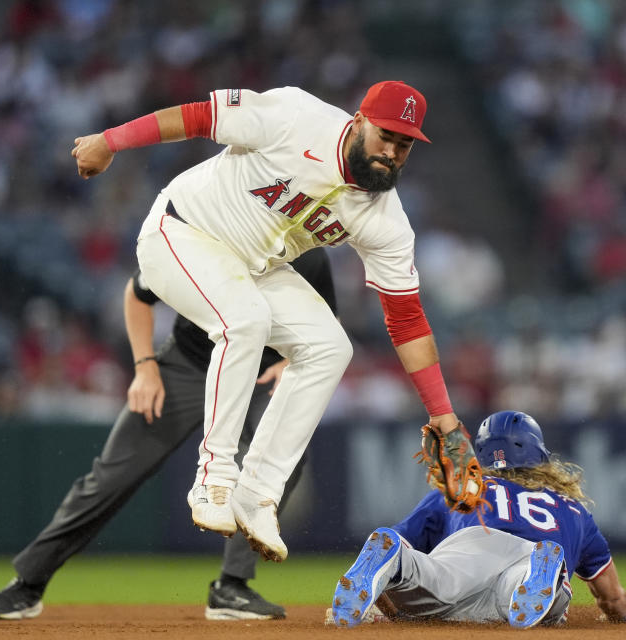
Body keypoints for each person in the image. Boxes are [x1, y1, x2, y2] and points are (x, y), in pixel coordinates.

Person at [70, 80, 482, 562]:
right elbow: (199, 117)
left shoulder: (386, 220)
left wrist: (444, 416)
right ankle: (214, 481)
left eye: (404, 143)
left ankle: (257, 493)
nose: (391, 151)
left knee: (331, 348)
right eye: (385, 136)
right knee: (245, 321)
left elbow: (407, 321)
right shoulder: (295, 116)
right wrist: (110, 141)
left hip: (254, 265)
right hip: (179, 232)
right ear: (359, 122)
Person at [0, 249, 337, 621]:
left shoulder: (310, 257)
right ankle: (28, 583)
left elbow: (324, 328)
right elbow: (137, 293)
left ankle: (232, 587)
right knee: (111, 478)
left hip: (246, 384)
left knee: (277, 465)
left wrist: (285, 362)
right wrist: (144, 366)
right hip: (183, 368)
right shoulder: (214, 235)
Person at [329, 410, 626, 629]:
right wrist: (622, 617)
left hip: (469, 548)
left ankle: (395, 558)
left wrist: (393, 612)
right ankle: (541, 574)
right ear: (539, 452)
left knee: (429, 577)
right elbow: (611, 598)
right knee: (528, 598)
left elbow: (407, 544)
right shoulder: (573, 509)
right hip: (530, 554)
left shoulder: (464, 488)